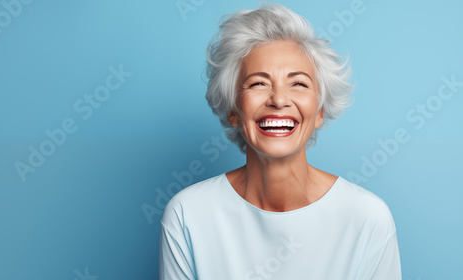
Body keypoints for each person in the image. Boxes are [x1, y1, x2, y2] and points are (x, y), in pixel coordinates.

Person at [159, 3, 401, 279]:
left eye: (298, 83)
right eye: (258, 83)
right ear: (233, 110)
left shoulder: (367, 218)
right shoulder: (188, 214)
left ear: (320, 111)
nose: (279, 100)